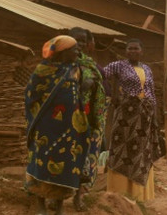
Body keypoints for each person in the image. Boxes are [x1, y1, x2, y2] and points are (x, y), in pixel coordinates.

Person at [24, 36, 90, 215]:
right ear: (62, 51)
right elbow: (30, 95)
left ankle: (59, 207)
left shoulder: (76, 70)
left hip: (69, 129)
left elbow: (77, 97)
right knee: (42, 163)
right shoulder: (43, 70)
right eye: (74, 49)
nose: (78, 52)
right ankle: (41, 205)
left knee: (66, 165)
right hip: (47, 128)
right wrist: (37, 119)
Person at [102, 39, 159, 202]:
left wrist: (154, 114)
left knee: (140, 151)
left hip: (144, 117)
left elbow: (151, 92)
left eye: (136, 48)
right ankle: (119, 192)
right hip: (125, 117)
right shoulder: (118, 66)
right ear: (126, 51)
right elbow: (101, 75)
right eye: (130, 48)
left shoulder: (147, 69)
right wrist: (111, 95)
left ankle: (139, 195)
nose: (133, 51)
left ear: (142, 51)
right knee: (121, 149)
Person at [69, 27, 106, 212]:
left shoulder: (90, 65)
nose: (81, 44)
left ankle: (78, 197)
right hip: (65, 120)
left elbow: (100, 86)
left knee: (82, 161)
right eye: (77, 40)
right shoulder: (62, 63)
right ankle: (57, 197)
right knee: (64, 160)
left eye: (83, 40)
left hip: (86, 119)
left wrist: (91, 85)